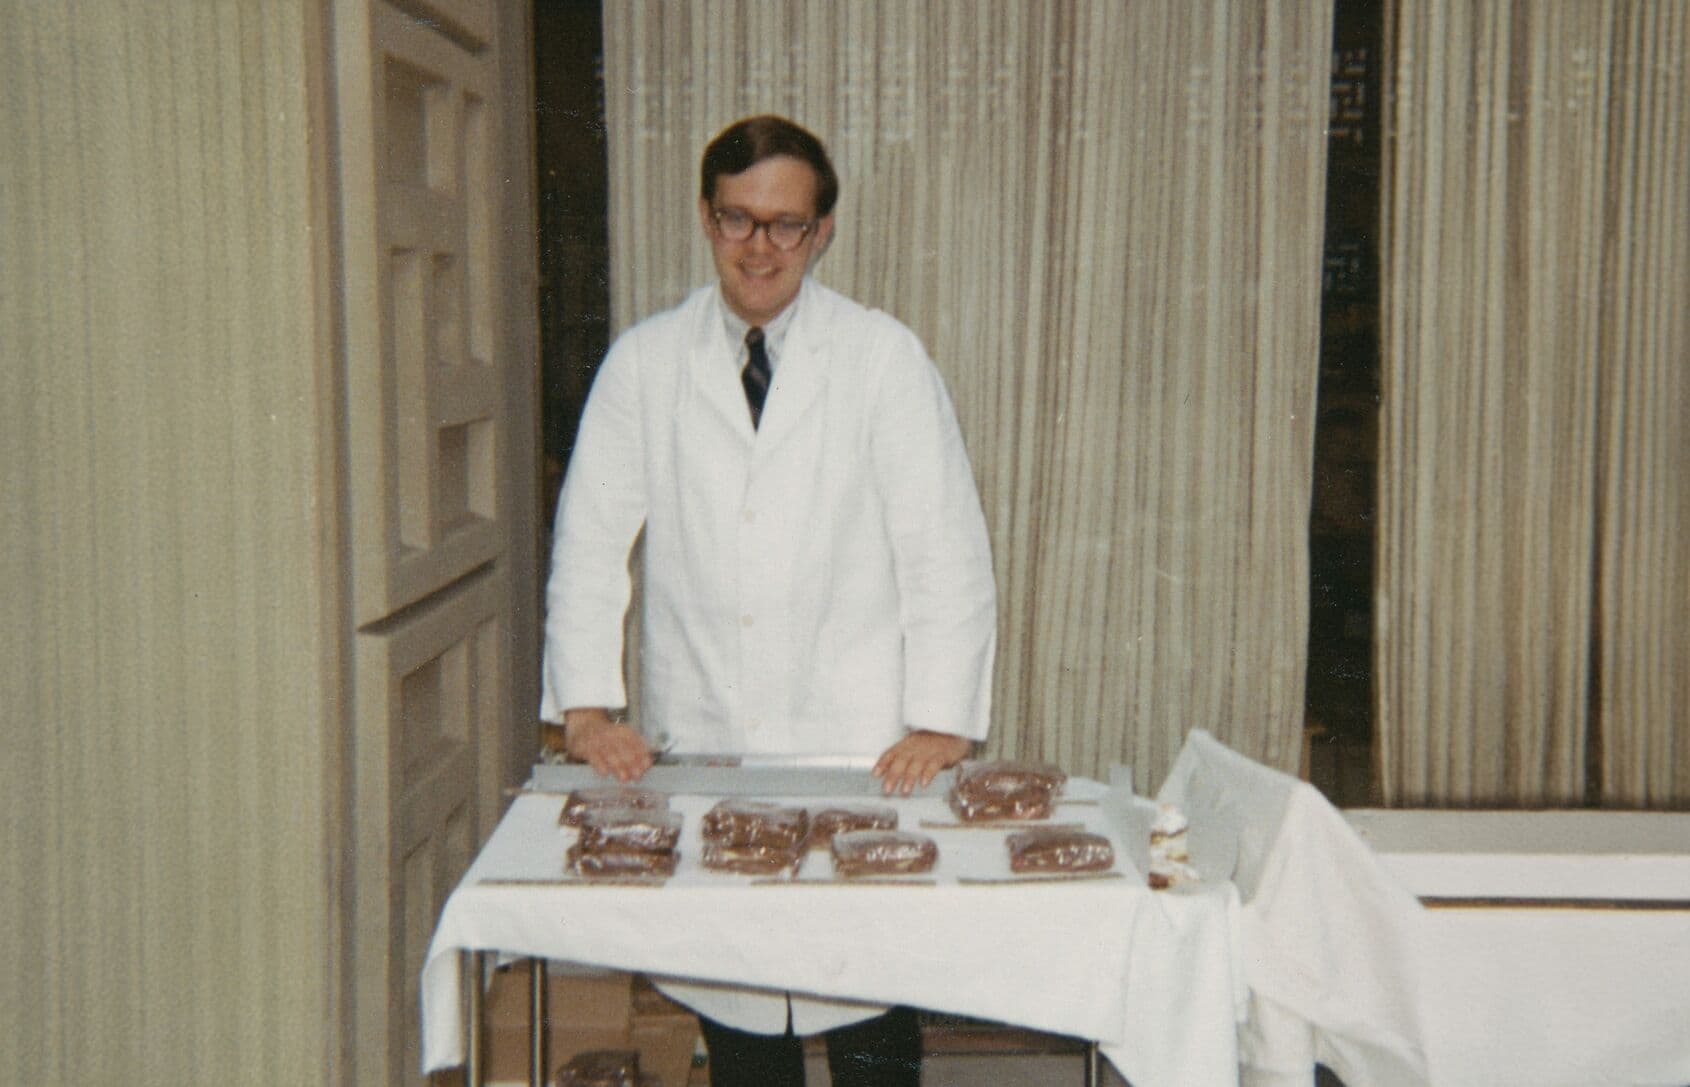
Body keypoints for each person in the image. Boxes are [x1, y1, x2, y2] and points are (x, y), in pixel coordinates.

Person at [539, 115, 997, 1087]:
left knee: (870, 1009)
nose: (759, 247)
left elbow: (944, 548)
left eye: (784, 224)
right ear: (707, 221)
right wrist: (585, 707)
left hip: (859, 745)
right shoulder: (643, 364)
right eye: (737, 220)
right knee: (743, 1016)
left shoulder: (881, 359)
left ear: (821, 231)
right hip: (708, 730)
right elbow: (588, 540)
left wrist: (944, 722)